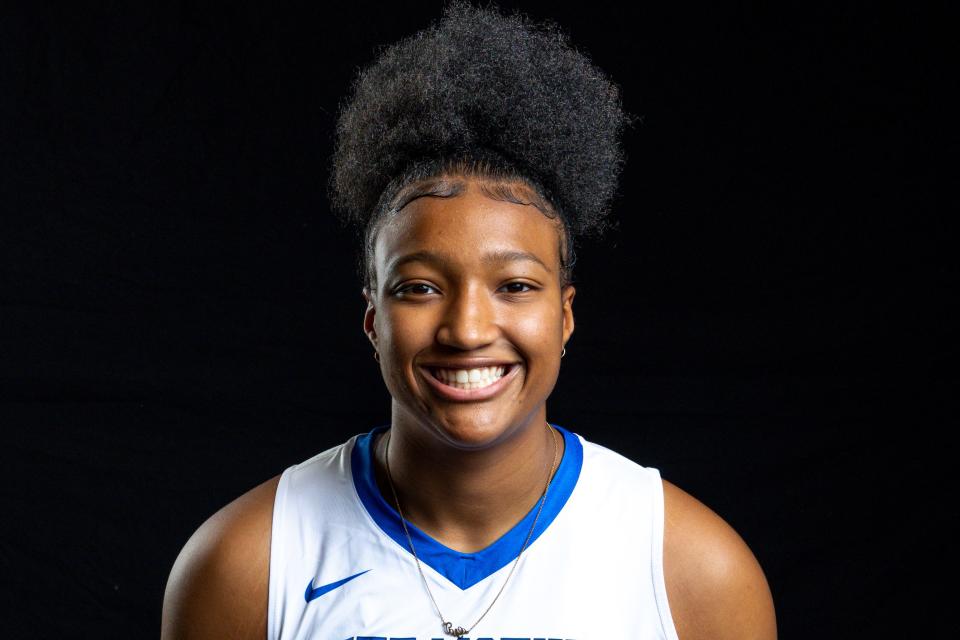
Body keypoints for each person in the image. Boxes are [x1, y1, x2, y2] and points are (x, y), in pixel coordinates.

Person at [161, 3, 777, 639]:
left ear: (564, 316)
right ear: (373, 318)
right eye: (421, 287)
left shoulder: (693, 573)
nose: (467, 329)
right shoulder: (246, 567)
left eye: (514, 286)